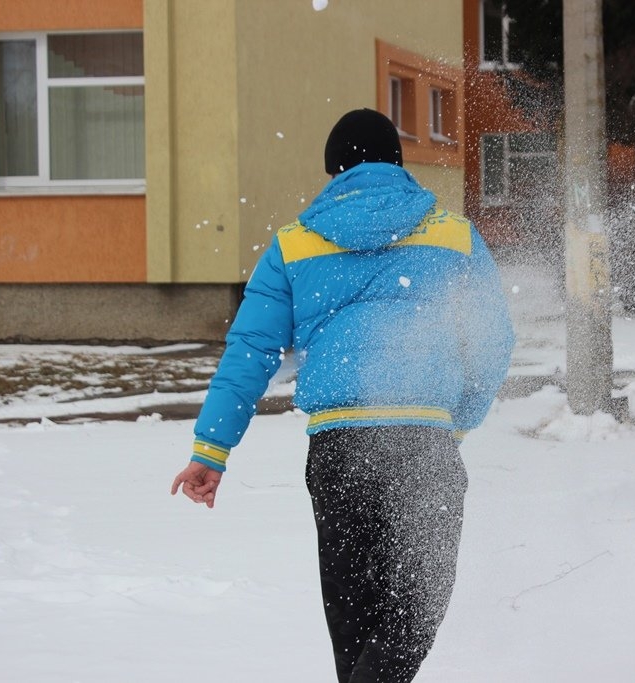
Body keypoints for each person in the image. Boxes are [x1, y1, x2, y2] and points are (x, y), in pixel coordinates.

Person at [171, 108, 515, 682]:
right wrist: (455, 422)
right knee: (414, 611)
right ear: (398, 164)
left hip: (338, 450)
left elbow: (250, 352)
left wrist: (212, 448)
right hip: (423, 445)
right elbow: (492, 339)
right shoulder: (454, 234)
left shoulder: (294, 244)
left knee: (354, 619)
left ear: (335, 171)